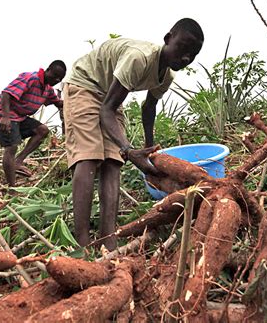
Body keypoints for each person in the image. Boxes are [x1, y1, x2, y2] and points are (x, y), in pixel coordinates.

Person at [62, 18, 204, 250]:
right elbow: (106, 110)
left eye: (193, 54)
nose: (186, 57)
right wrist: (129, 150)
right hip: (85, 84)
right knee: (89, 156)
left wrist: (148, 151)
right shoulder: (139, 58)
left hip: (110, 95)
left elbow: (148, 108)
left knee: (113, 161)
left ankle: (108, 237)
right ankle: (82, 242)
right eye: (183, 48)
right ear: (168, 39)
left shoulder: (166, 76)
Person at [0, 60, 67, 187]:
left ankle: (18, 161)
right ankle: (12, 188)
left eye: (59, 78)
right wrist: (5, 117)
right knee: (12, 146)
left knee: (42, 130)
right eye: (54, 75)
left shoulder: (47, 89)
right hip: (2, 115)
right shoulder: (30, 78)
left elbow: (59, 103)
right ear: (48, 70)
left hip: (19, 117)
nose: (56, 79)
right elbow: (6, 95)